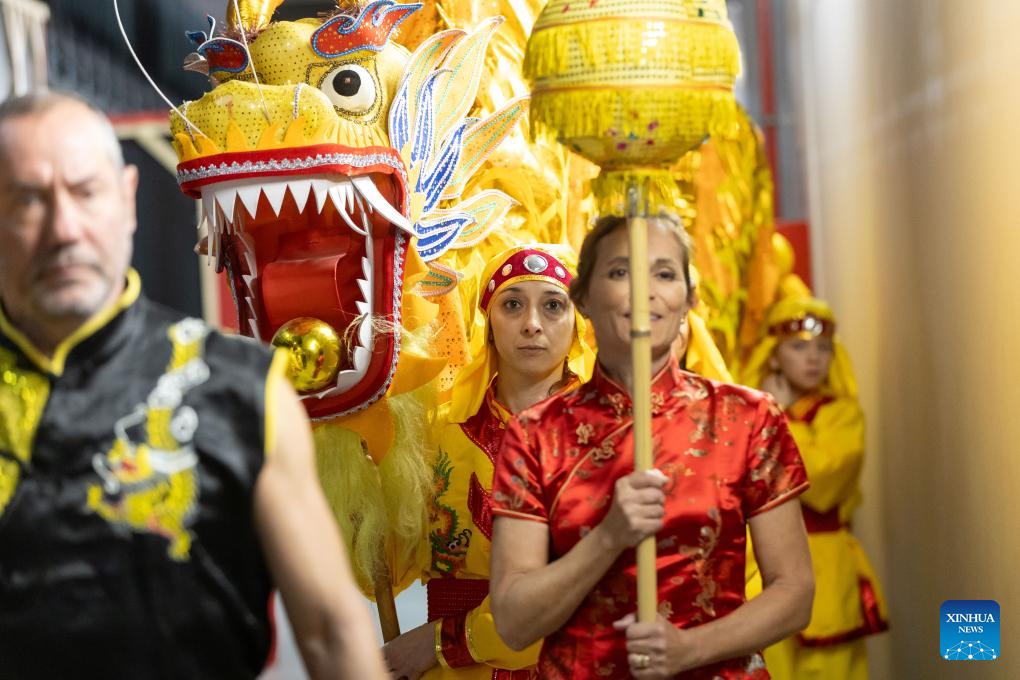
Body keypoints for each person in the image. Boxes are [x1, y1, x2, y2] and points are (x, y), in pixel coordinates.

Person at [0, 91, 387, 679]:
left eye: (85, 192)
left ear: (128, 200)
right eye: (28, 200)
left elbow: (331, 629)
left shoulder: (238, 388)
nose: (64, 229)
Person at [488, 213, 815, 679]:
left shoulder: (747, 418)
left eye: (663, 273)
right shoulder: (535, 434)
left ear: (689, 298)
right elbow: (515, 623)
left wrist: (691, 648)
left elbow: (795, 593)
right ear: (583, 297)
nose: (644, 291)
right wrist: (608, 537)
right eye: (620, 272)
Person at [382, 244, 596, 679]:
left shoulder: (606, 437)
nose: (532, 324)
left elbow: (584, 589)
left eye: (553, 306)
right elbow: (389, 567)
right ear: (489, 325)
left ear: (577, 326)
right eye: (513, 305)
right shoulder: (437, 435)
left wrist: (441, 641)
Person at [741, 297, 888, 680]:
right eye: (798, 346)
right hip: (758, 566)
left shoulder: (842, 413)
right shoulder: (747, 414)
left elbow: (821, 481)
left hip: (826, 568)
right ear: (773, 356)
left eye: (823, 348)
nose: (813, 358)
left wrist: (782, 417)